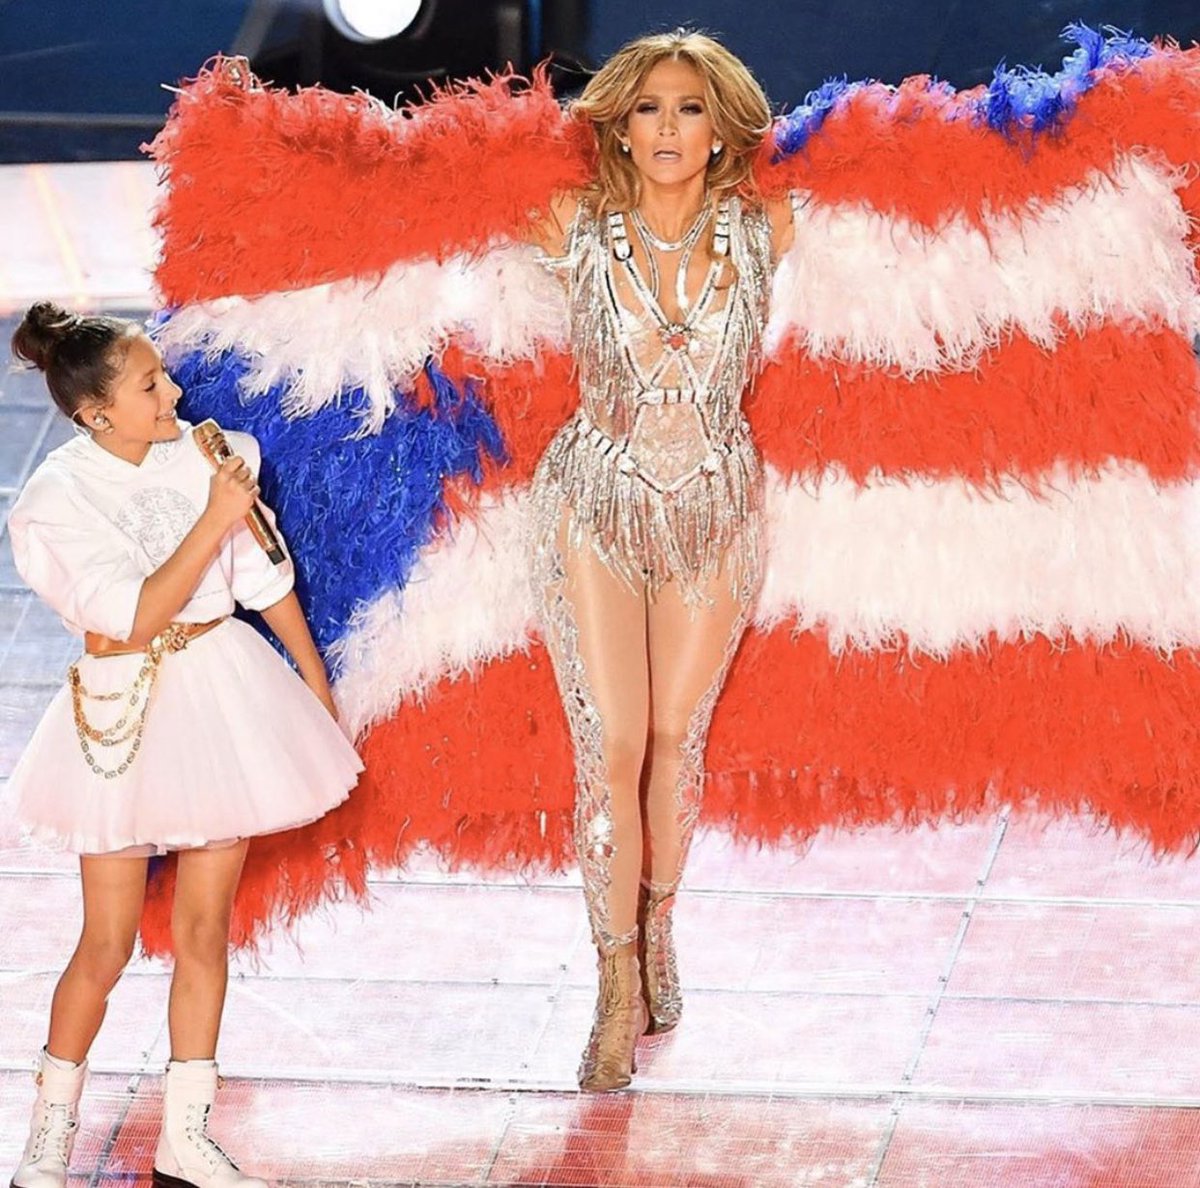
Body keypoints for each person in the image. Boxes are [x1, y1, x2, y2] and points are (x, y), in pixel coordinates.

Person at [5, 302, 363, 1188]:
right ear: (96, 414)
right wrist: (213, 513)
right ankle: (50, 1128)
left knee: (206, 932)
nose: (172, 392)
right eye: (149, 384)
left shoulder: (213, 451)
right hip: (120, 712)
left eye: (163, 374)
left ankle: (187, 1133)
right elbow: (132, 614)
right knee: (107, 942)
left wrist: (315, 690)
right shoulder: (54, 500)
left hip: (220, 697)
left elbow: (259, 575)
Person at [528, 31, 795, 1092]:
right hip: (593, 499)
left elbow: (937, 213)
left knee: (676, 738)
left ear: (723, 123)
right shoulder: (567, 225)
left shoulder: (770, 228)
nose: (669, 130)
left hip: (718, 507)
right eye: (647, 109)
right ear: (617, 125)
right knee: (614, 740)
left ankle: (661, 930)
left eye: (690, 109)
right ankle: (611, 985)